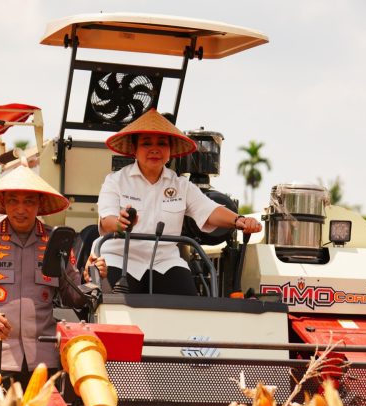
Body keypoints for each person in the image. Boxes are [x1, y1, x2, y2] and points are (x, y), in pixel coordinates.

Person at [97, 108, 262, 294]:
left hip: (165, 262)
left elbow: (209, 210)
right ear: (134, 149)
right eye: (146, 143)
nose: (154, 149)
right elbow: (106, 220)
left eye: (161, 143)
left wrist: (238, 220)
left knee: (188, 303)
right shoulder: (115, 181)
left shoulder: (182, 185)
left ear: (170, 151)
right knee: (114, 306)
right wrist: (121, 224)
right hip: (119, 259)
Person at [0, 165, 84, 388]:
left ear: (39, 204)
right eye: (13, 201)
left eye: (29, 201)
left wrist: (93, 278)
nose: (20, 209)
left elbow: (74, 296)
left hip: (44, 361)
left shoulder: (57, 242)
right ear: (3, 203)